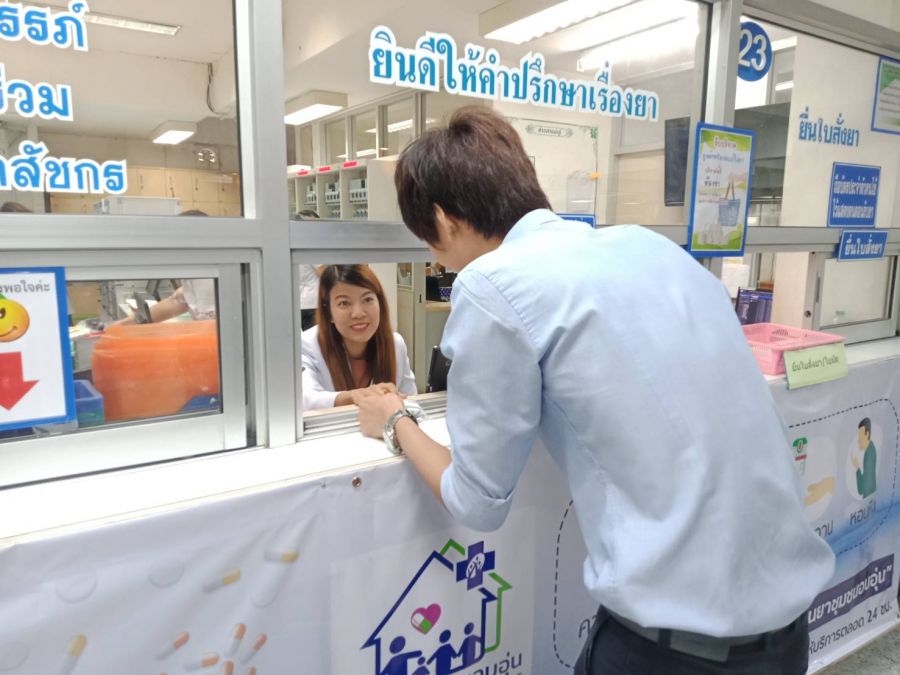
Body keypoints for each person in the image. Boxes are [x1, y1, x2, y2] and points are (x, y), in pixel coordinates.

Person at [356, 107, 835, 675]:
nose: (435, 259)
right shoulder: (648, 246)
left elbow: (478, 500)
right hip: (788, 634)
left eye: (428, 242)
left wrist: (395, 420)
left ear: (443, 219)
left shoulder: (493, 283)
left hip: (672, 652)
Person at [301, 264, 416, 410]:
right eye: (344, 303)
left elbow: (411, 401)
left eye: (367, 300)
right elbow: (304, 399)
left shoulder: (395, 344)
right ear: (328, 312)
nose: (358, 313)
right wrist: (354, 396)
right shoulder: (306, 345)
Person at [117, 210, 216, 323]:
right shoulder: (193, 270)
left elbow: (211, 324)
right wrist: (122, 324)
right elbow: (176, 302)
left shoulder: (206, 276)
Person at [295, 209, 321, 331]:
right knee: (316, 337)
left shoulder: (295, 244)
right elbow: (324, 273)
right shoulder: (312, 245)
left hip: (301, 302)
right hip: (313, 303)